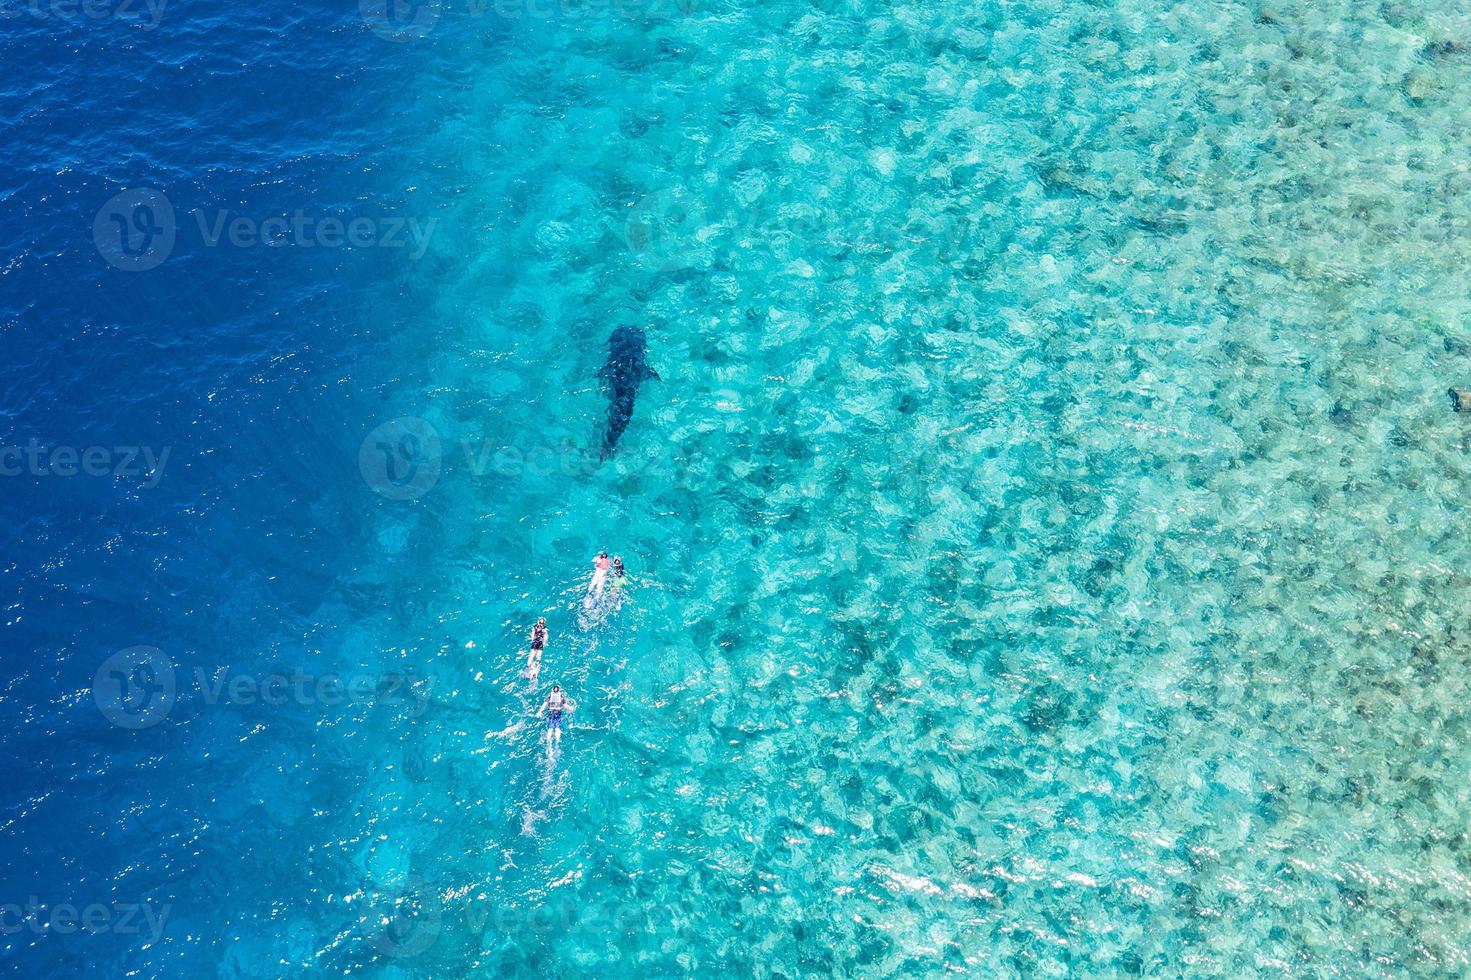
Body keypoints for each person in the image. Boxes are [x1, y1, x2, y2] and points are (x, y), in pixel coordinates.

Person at [527, 617, 547, 686]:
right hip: (539, 643)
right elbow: (546, 636)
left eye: (541, 623)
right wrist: (544, 642)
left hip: (536, 642)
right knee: (537, 657)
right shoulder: (544, 628)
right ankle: (534, 669)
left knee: (533, 656)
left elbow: (533, 635)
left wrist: (533, 639)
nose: (541, 624)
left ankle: (532, 668)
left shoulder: (535, 627)